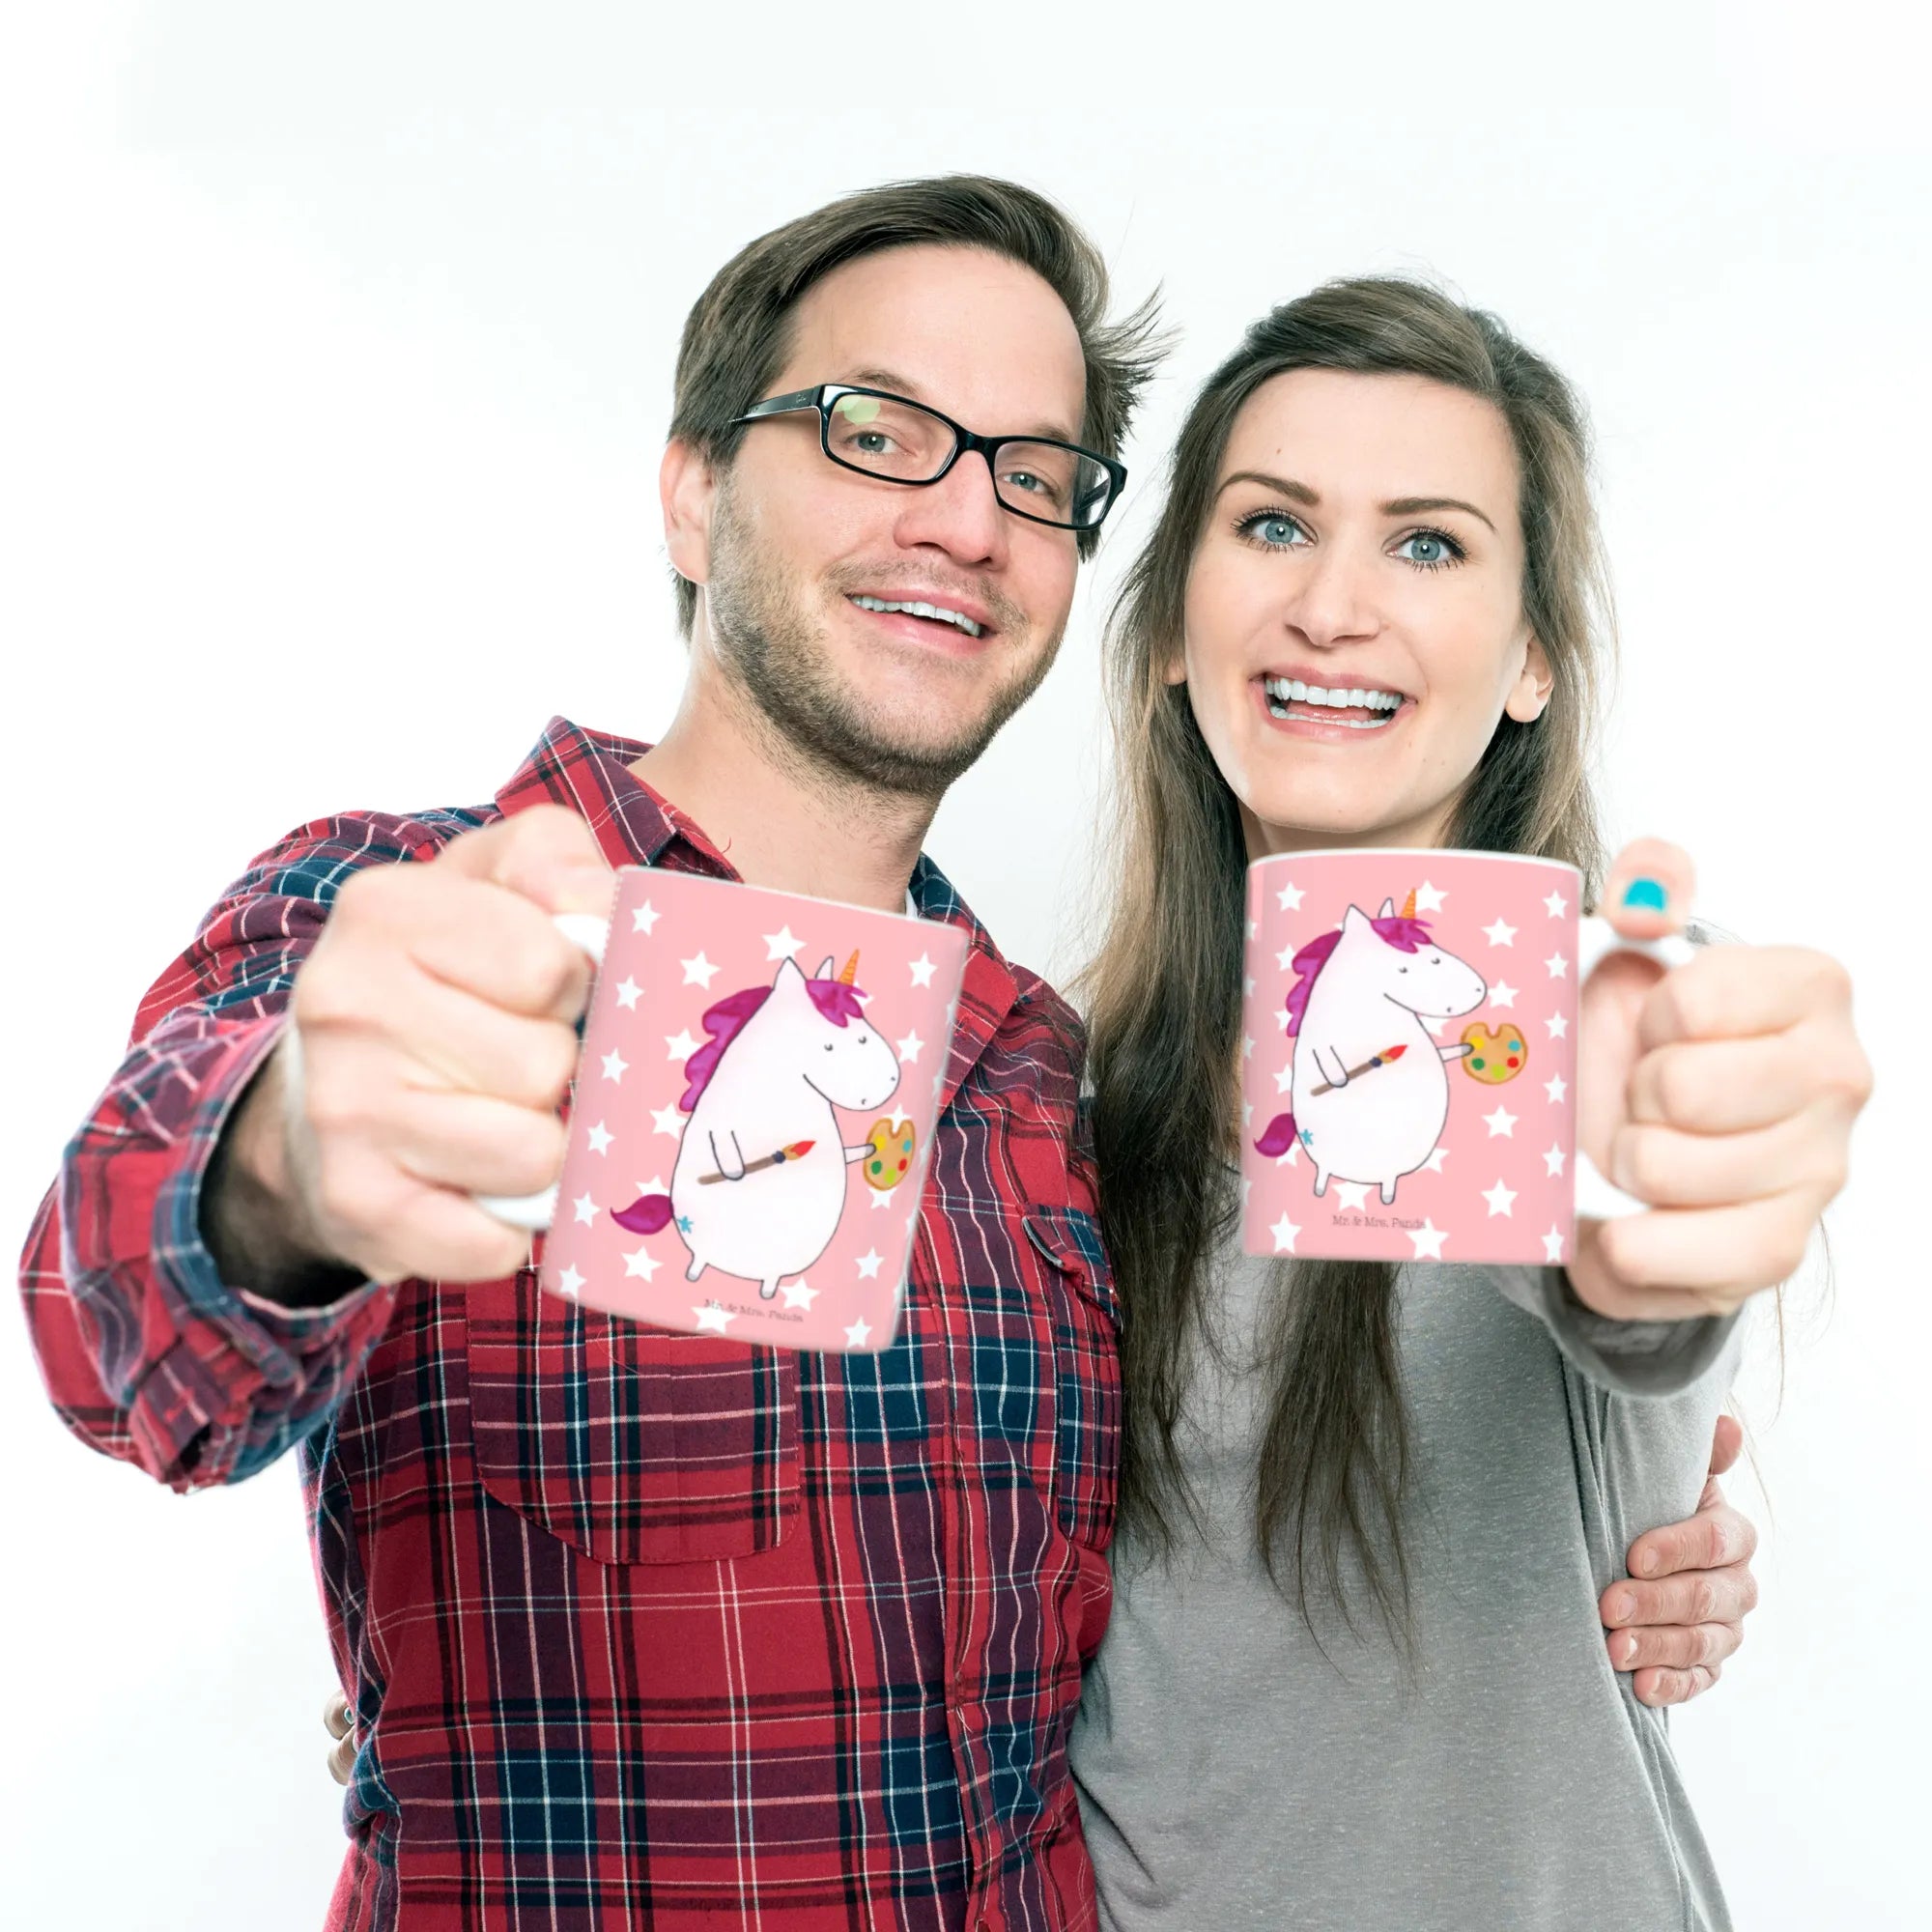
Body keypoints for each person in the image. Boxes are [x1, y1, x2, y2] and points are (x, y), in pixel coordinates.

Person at [21, 179, 1763, 1931]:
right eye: (878, 432)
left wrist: (1628, 1501)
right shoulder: (410, 919)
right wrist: (285, 1167)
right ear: (694, 491)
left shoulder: (1045, 1084)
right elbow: (117, 1329)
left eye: (1033, 474)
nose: (964, 519)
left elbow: (1561, 1318)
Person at [1067, 278, 1871, 1929]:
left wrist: (1668, 1207)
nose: (1333, 607)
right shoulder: (1062, 1100)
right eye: (1274, 526)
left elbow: (1634, 1285)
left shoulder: (1595, 1030)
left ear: (1530, 662)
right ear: (1167, 629)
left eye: (1427, 544)